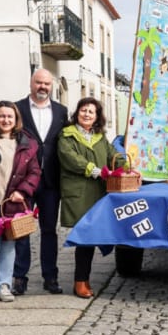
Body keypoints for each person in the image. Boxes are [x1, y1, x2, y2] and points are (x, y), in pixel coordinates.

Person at [0, 101, 41, 305]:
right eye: (1, 116)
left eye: (9, 116)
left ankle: (4, 284)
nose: (5, 120)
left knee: (9, 246)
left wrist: (23, 190)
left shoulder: (27, 143)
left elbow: (35, 171)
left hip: (11, 203)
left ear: (16, 119)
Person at [57, 96, 124, 298]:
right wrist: (94, 170)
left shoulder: (100, 137)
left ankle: (84, 279)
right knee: (84, 239)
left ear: (96, 117)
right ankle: (80, 282)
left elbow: (114, 155)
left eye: (91, 111)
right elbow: (70, 159)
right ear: (77, 113)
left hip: (98, 193)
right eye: (83, 110)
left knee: (93, 237)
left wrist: (127, 164)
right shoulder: (67, 135)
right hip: (79, 194)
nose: (86, 114)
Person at [14, 69, 69, 295]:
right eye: (39, 83)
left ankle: (50, 276)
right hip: (24, 179)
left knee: (49, 230)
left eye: (46, 83)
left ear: (51, 86)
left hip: (50, 182)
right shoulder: (17, 108)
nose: (42, 87)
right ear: (31, 83)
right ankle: (19, 277)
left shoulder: (61, 111)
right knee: (21, 229)